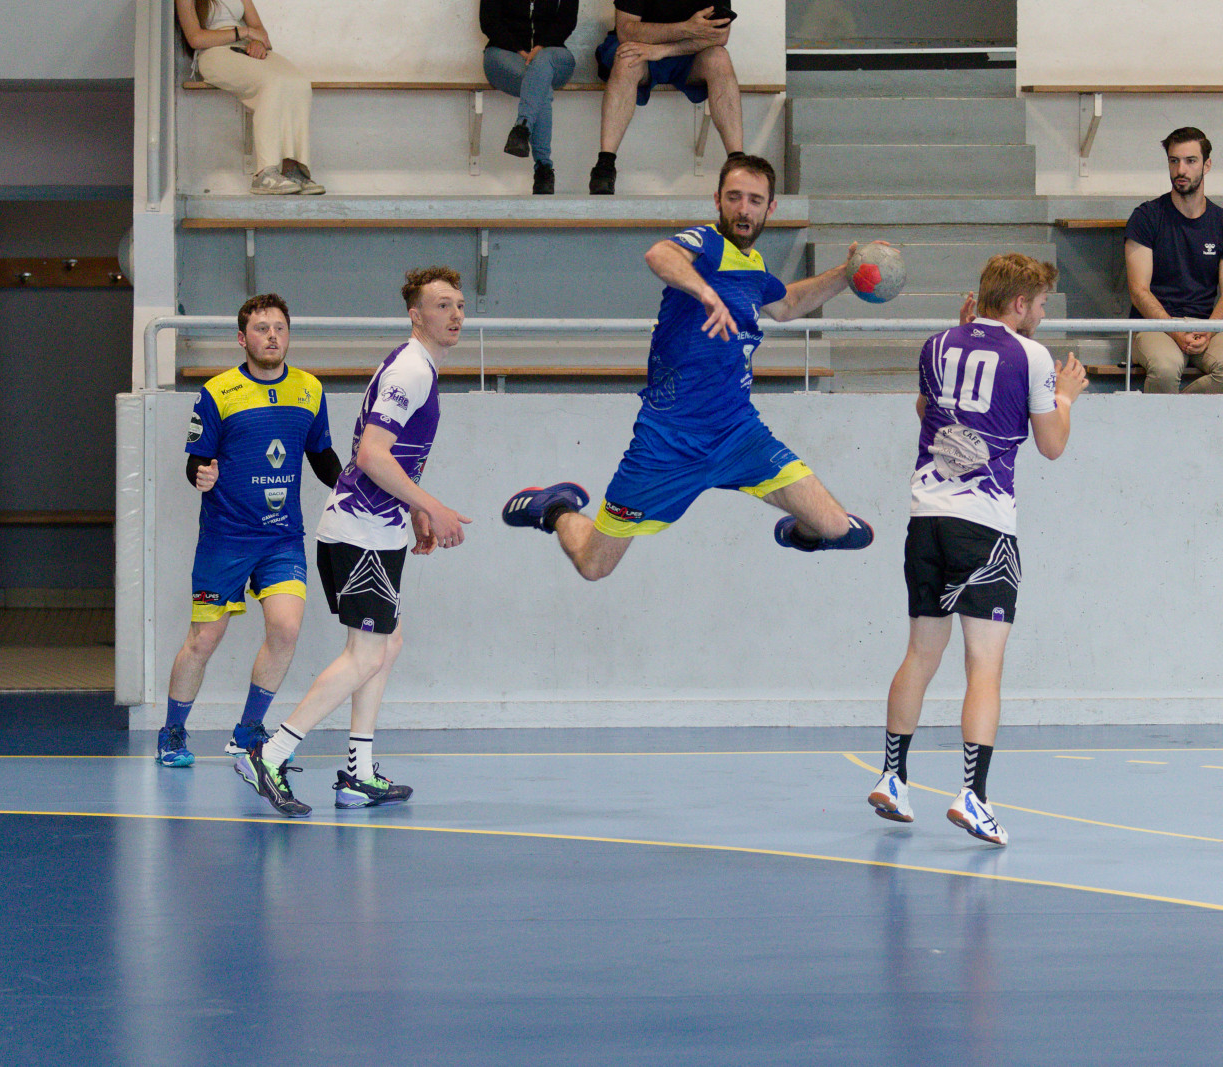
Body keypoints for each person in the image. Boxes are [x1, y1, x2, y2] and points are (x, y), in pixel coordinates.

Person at [503, 154, 876, 580]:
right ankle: (554, 508)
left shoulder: (754, 267)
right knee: (594, 565)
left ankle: (798, 530)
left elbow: (788, 304)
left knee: (838, 529)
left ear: (770, 208)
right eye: (734, 197)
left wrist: (846, 273)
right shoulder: (706, 244)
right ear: (718, 200)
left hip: (737, 433)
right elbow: (659, 254)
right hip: (668, 441)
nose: (743, 209)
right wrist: (705, 293)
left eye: (755, 200)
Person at [867, 255, 1087, 847]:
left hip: (926, 520)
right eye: (1040, 305)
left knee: (920, 653)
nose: (1041, 315)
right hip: (985, 526)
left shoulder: (937, 344)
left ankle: (892, 778)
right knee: (984, 664)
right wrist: (1067, 397)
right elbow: (1052, 445)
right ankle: (973, 795)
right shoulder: (1030, 354)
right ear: (1018, 304)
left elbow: (926, 411)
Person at [240, 268, 472, 817]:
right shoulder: (411, 369)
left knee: (385, 646)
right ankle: (269, 754)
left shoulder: (419, 366)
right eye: (442, 305)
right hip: (358, 531)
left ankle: (358, 774)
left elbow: (389, 457)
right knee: (366, 652)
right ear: (416, 315)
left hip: (377, 529)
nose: (456, 314)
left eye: (460, 305)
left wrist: (413, 508)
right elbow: (370, 454)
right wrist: (433, 506)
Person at [158, 294, 342, 767]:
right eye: (262, 329)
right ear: (243, 339)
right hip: (225, 541)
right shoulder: (218, 392)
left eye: (279, 327)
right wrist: (201, 476)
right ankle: (173, 733)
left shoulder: (309, 390)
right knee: (203, 639)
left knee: (286, 629)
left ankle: (247, 731)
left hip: (282, 539)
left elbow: (321, 456)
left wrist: (355, 488)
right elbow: (197, 462)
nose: (272, 336)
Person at [590, 2, 742, 195]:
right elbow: (626, 30)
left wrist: (664, 50)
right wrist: (685, 28)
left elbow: (720, 36)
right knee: (626, 58)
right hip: (640, 46)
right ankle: (605, 164)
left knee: (719, 58)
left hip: (687, 50)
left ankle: (738, 163)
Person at [176, 0, 323, 195]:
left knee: (299, 82)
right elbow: (195, 38)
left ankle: (292, 168)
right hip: (214, 53)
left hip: (244, 49)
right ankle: (265, 173)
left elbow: (260, 31)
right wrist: (243, 32)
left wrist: (257, 42)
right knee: (272, 83)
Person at [1124, 126, 1222, 393]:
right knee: (1165, 369)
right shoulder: (1146, 217)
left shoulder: (1220, 221)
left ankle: (1179, 411)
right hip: (1154, 325)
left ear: (1207, 165)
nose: (1181, 170)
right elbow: (1139, 292)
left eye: (1190, 161)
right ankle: (1167, 419)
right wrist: (1174, 329)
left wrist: (1210, 330)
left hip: (1205, 325)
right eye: (1174, 161)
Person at [480, 0, 580, 195]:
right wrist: (521, 51)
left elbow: (567, 21)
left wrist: (540, 48)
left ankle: (522, 128)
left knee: (542, 67)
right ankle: (543, 168)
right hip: (504, 54)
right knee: (540, 83)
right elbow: (489, 22)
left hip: (553, 55)